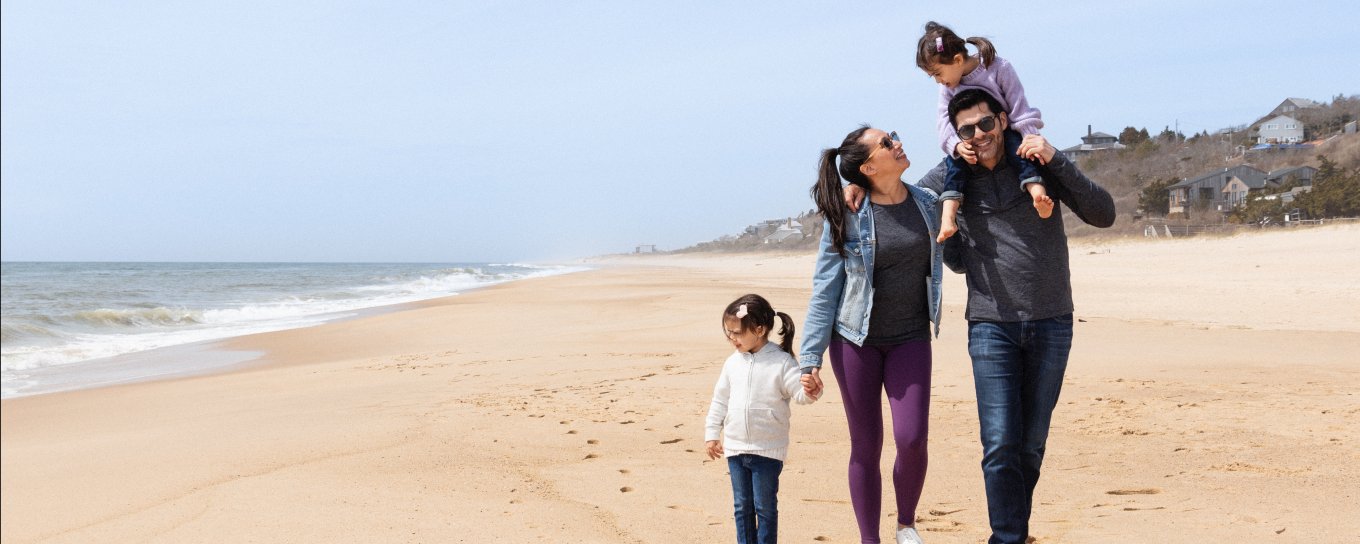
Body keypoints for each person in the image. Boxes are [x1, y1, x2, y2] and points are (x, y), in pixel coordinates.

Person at [921, 88, 1115, 544]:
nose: (978, 135)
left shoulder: (1037, 161)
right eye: (966, 129)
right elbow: (906, 200)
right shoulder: (950, 174)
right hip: (990, 324)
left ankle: (1012, 533)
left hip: (1052, 320)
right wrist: (853, 181)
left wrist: (1056, 157)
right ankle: (1006, 538)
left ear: (1003, 120)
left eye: (985, 124)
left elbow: (1103, 214)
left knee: (1029, 446)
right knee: (1000, 444)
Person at [798, 126, 943, 544]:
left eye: (893, 135)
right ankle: (869, 539)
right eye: (887, 142)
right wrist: (810, 360)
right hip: (853, 342)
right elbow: (825, 289)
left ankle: (906, 524)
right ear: (867, 167)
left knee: (912, 438)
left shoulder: (927, 203)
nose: (897, 142)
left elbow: (959, 171)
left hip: (911, 337)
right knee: (866, 444)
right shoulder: (845, 215)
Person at [916, 21, 1052, 243]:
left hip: (1004, 130)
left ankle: (1037, 194)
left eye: (938, 73)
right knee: (955, 165)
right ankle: (948, 217)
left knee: (1020, 153)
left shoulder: (999, 68)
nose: (938, 81)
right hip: (967, 139)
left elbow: (1018, 105)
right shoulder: (947, 88)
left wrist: (1029, 136)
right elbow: (943, 122)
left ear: (958, 60)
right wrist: (956, 145)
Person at [705, 294, 820, 544]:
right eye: (728, 333)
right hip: (735, 447)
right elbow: (720, 400)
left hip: (768, 449)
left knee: (765, 509)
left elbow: (799, 393)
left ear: (759, 329)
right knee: (741, 507)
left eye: (736, 333)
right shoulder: (732, 363)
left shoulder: (782, 361)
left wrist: (811, 390)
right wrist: (712, 433)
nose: (732, 338)